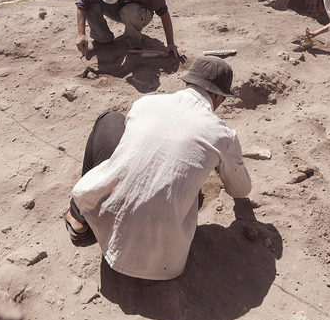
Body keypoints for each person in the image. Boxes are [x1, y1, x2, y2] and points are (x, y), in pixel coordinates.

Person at [63, 56, 252, 280]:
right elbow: (241, 190)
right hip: (163, 262)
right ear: (218, 96)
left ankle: (80, 216)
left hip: (105, 226)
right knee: (189, 191)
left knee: (111, 120)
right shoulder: (224, 135)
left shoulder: (146, 103)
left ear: (187, 83)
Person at [74, 0, 183, 58]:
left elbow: (163, 13)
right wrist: (81, 34)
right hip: (116, 9)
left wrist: (171, 43)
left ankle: (134, 42)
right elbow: (83, 3)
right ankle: (103, 38)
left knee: (129, 10)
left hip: (139, 14)